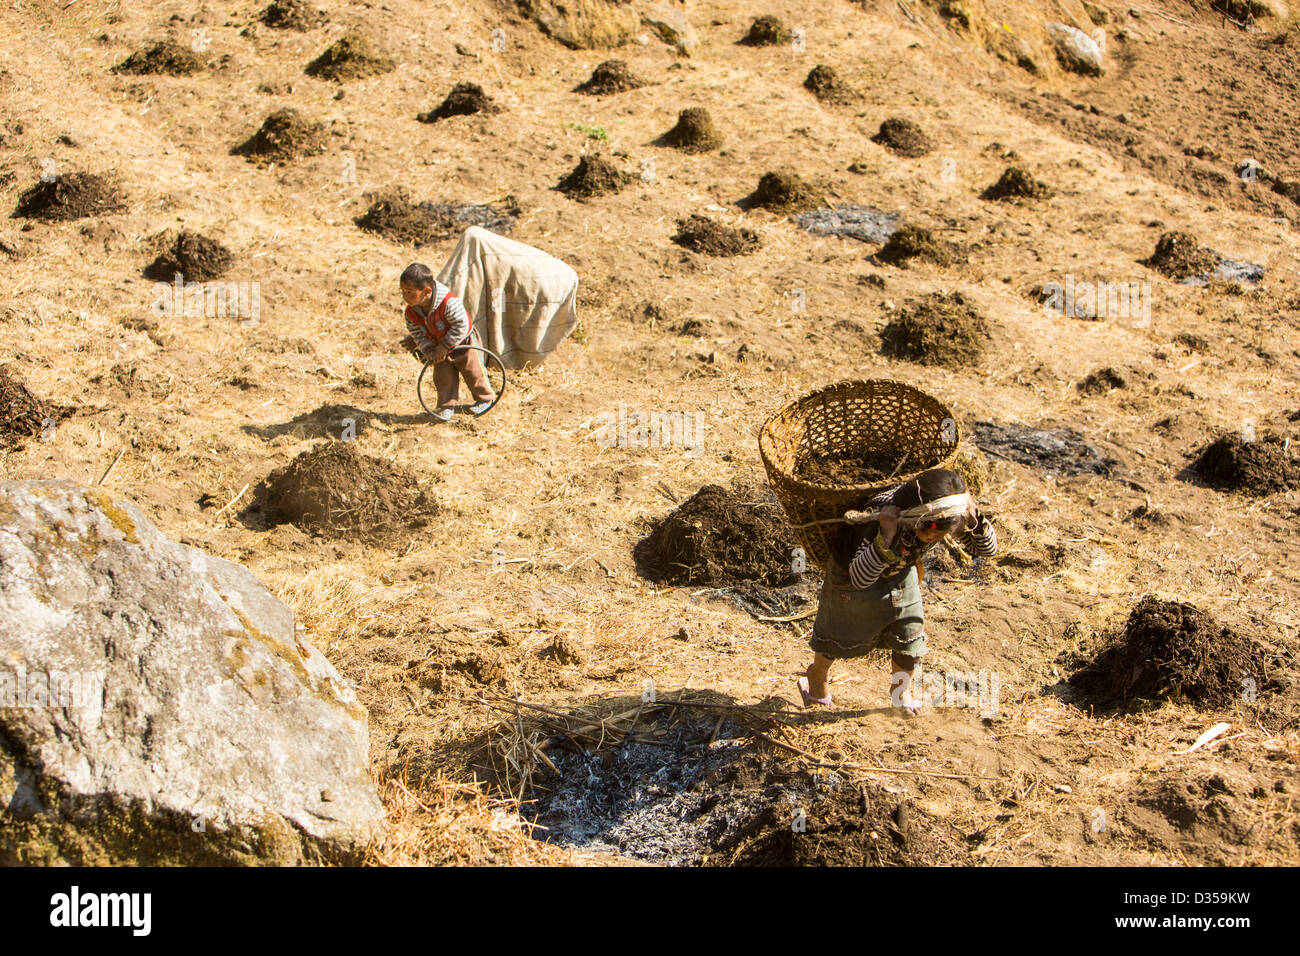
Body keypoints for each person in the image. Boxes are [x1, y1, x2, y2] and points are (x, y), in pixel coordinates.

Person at [798, 467, 998, 712]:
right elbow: (860, 578)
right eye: (928, 531)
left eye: (939, 535)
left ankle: (900, 693)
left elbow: (988, 551)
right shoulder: (879, 518)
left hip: (901, 574)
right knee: (838, 636)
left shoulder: (946, 515)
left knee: (909, 637)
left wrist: (975, 521)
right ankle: (817, 678)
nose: (931, 539)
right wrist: (887, 535)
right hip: (852, 579)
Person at [399, 263, 495, 420]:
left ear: (427, 292)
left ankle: (485, 398)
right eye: (402, 291)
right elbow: (417, 334)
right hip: (437, 344)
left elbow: (461, 325)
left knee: (473, 370)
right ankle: (446, 405)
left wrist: (445, 345)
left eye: (409, 292)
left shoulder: (448, 302)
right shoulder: (411, 312)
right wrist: (430, 350)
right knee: (442, 375)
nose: (404, 296)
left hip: (463, 340)